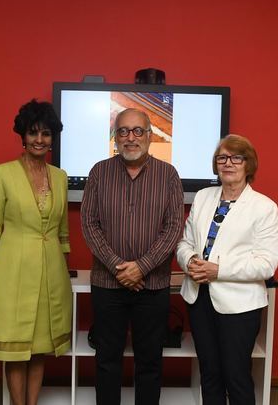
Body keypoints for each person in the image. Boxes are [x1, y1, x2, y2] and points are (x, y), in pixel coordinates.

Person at [81, 108, 184, 404]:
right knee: (106, 360)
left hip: (152, 286)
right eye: (123, 131)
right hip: (107, 284)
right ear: (115, 138)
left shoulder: (168, 175)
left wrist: (141, 268)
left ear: (150, 136)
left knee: (150, 363)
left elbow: (174, 226)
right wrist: (119, 268)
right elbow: (89, 224)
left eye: (138, 131)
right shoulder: (99, 171)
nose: (131, 138)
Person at [0, 99, 72, 405]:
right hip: (13, 274)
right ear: (23, 135)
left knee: (40, 347)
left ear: (52, 138)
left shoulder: (59, 176)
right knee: (16, 350)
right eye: (33, 133)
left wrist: (64, 279)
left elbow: (62, 235)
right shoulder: (2, 173)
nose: (39, 140)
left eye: (46, 134)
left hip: (51, 275)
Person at [176, 134, 278, 405]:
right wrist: (189, 262)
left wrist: (217, 270)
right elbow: (186, 242)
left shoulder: (264, 208)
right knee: (209, 373)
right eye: (222, 158)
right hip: (199, 298)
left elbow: (266, 263)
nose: (228, 163)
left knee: (236, 376)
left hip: (240, 306)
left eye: (237, 158)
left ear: (249, 164)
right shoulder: (202, 197)